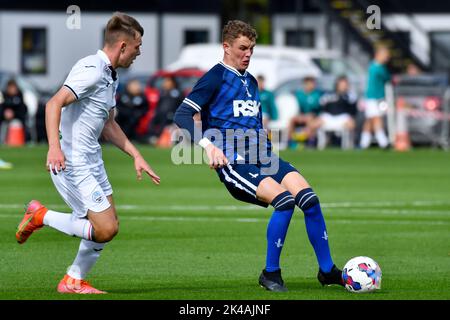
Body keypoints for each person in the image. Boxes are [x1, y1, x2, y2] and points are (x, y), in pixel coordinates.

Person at [173, 20, 343, 292]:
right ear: (226, 47)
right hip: (233, 161)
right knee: (285, 202)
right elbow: (181, 115)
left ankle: (327, 270)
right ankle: (271, 274)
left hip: (262, 156)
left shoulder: (251, 81)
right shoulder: (214, 77)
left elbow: (253, 122)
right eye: (242, 48)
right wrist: (208, 146)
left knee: (309, 199)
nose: (248, 54)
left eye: (251, 48)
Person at [15, 12, 160, 294]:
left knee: (109, 225)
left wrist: (135, 155)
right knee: (104, 229)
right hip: (73, 163)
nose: (139, 52)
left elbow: (108, 124)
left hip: (92, 160)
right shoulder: (92, 69)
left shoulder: (110, 75)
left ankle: (72, 281)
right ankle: (40, 216)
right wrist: (54, 149)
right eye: (138, 46)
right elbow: (53, 103)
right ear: (122, 46)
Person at [306, 76, 357, 147]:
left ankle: (351, 144)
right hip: (328, 117)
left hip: (343, 117)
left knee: (352, 124)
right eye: (341, 85)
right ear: (337, 85)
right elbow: (320, 107)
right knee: (312, 124)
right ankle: (311, 143)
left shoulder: (350, 96)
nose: (343, 87)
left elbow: (353, 111)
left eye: (345, 85)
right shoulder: (328, 95)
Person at [359, 46, 391, 149]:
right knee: (376, 118)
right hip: (373, 98)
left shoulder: (380, 67)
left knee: (370, 120)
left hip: (379, 97)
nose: (387, 58)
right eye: (385, 55)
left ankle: (364, 143)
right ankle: (383, 142)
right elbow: (387, 78)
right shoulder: (375, 68)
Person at [287, 76, 322, 148]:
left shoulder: (317, 94)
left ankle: (309, 142)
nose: (312, 85)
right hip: (302, 115)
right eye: (309, 84)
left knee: (309, 119)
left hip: (314, 116)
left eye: (313, 84)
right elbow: (297, 107)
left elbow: (317, 109)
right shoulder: (299, 94)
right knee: (292, 120)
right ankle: (290, 141)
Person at [147, 76, 183, 145]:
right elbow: (159, 105)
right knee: (152, 123)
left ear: (173, 83)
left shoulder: (177, 93)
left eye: (167, 81)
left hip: (172, 117)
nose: (164, 83)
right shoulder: (162, 93)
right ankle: (153, 137)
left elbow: (180, 106)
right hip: (161, 115)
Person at [0, 79, 29, 143]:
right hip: (5, 119)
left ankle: (23, 140)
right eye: (11, 87)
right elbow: (2, 108)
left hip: (18, 118)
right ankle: (2, 141)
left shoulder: (20, 95)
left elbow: (23, 109)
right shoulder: (4, 95)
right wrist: (5, 114)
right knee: (4, 124)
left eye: (14, 87)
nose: (12, 89)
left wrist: (13, 114)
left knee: (19, 123)